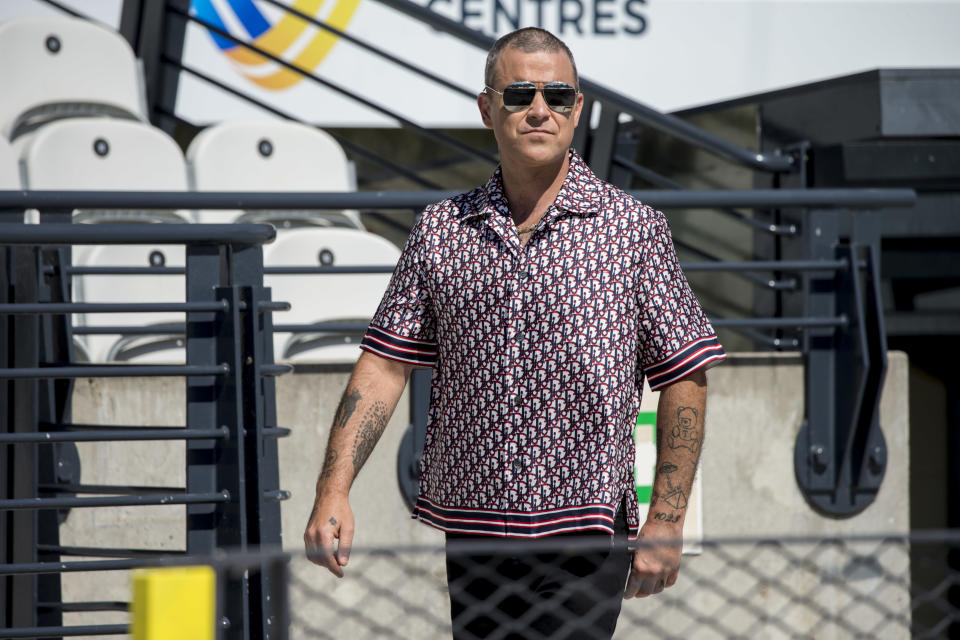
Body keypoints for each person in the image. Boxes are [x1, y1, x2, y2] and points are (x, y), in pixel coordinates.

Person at [304, 27, 726, 639]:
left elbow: (685, 373)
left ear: (577, 109)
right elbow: (384, 366)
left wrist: (665, 520)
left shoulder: (633, 229)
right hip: (473, 536)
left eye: (557, 95)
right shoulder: (442, 229)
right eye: (519, 93)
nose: (538, 109)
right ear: (486, 108)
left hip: (586, 536)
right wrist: (332, 491)